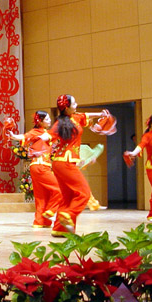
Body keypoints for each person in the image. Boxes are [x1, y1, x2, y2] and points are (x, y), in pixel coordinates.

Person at [49, 95, 106, 237]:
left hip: (62, 162)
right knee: (84, 193)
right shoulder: (59, 124)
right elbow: (48, 137)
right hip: (65, 162)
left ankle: (59, 229)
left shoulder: (75, 117)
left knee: (68, 196)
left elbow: (85, 115)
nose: (77, 105)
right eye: (74, 103)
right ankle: (68, 214)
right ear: (67, 108)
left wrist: (100, 114)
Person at [8, 111, 62, 228]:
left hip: (37, 166)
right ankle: (50, 211)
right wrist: (14, 136)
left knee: (42, 195)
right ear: (40, 121)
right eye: (46, 119)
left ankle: (40, 221)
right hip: (41, 166)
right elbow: (24, 136)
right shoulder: (36, 132)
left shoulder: (46, 132)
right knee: (59, 189)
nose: (49, 120)